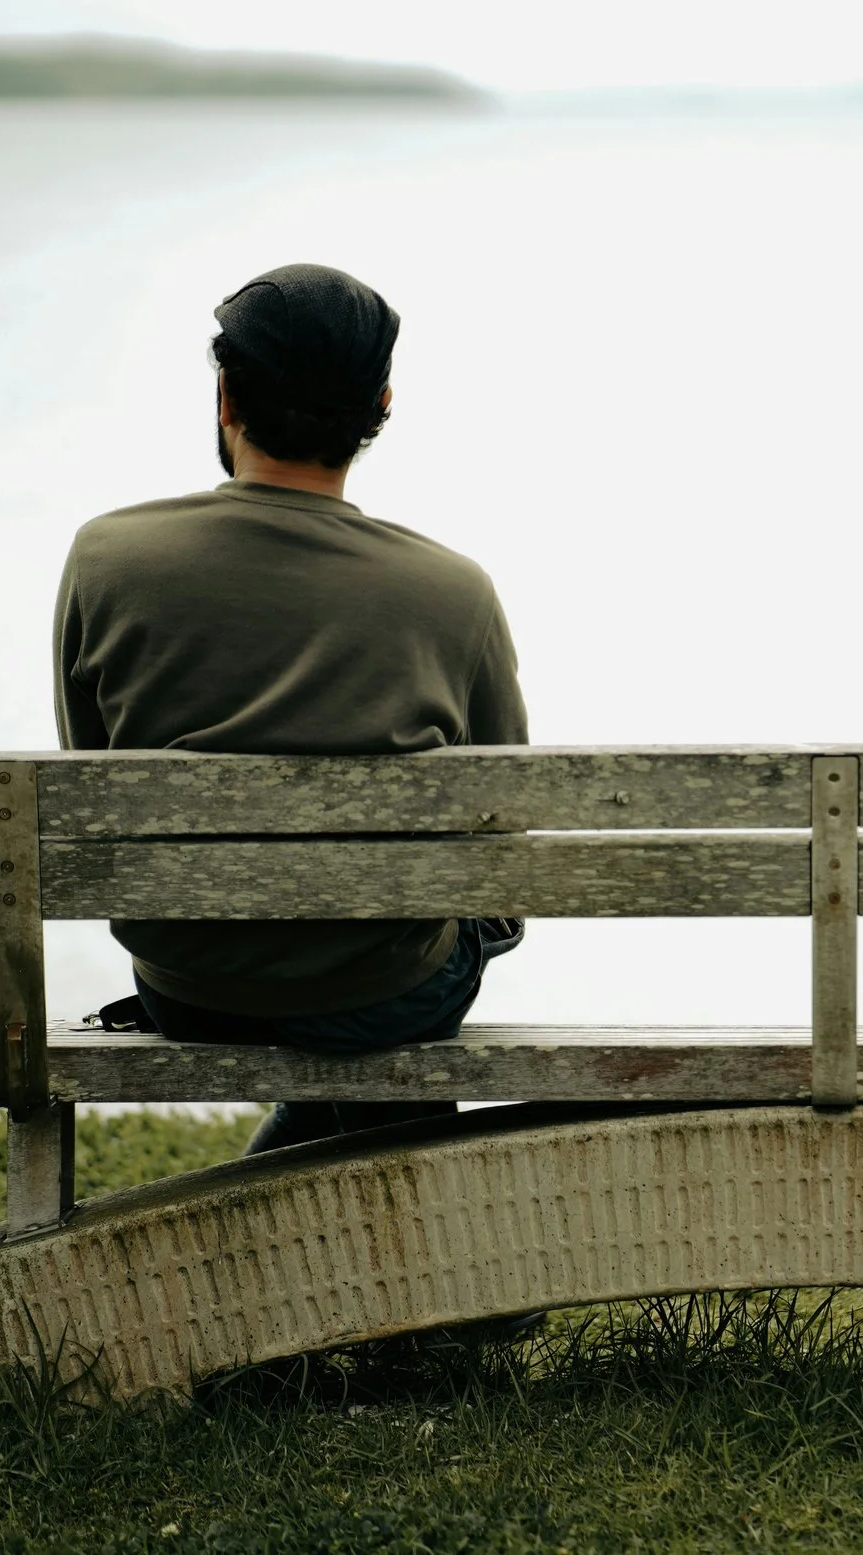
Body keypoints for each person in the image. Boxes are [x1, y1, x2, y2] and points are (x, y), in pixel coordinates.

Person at [52, 263, 526, 1154]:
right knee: (429, 949)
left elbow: (91, 773)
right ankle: (438, 1256)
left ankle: (285, 1217)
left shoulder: (106, 558)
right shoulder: (453, 591)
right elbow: (503, 827)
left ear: (227, 393)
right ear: (381, 403)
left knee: (361, 984)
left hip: (188, 983)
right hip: (389, 989)